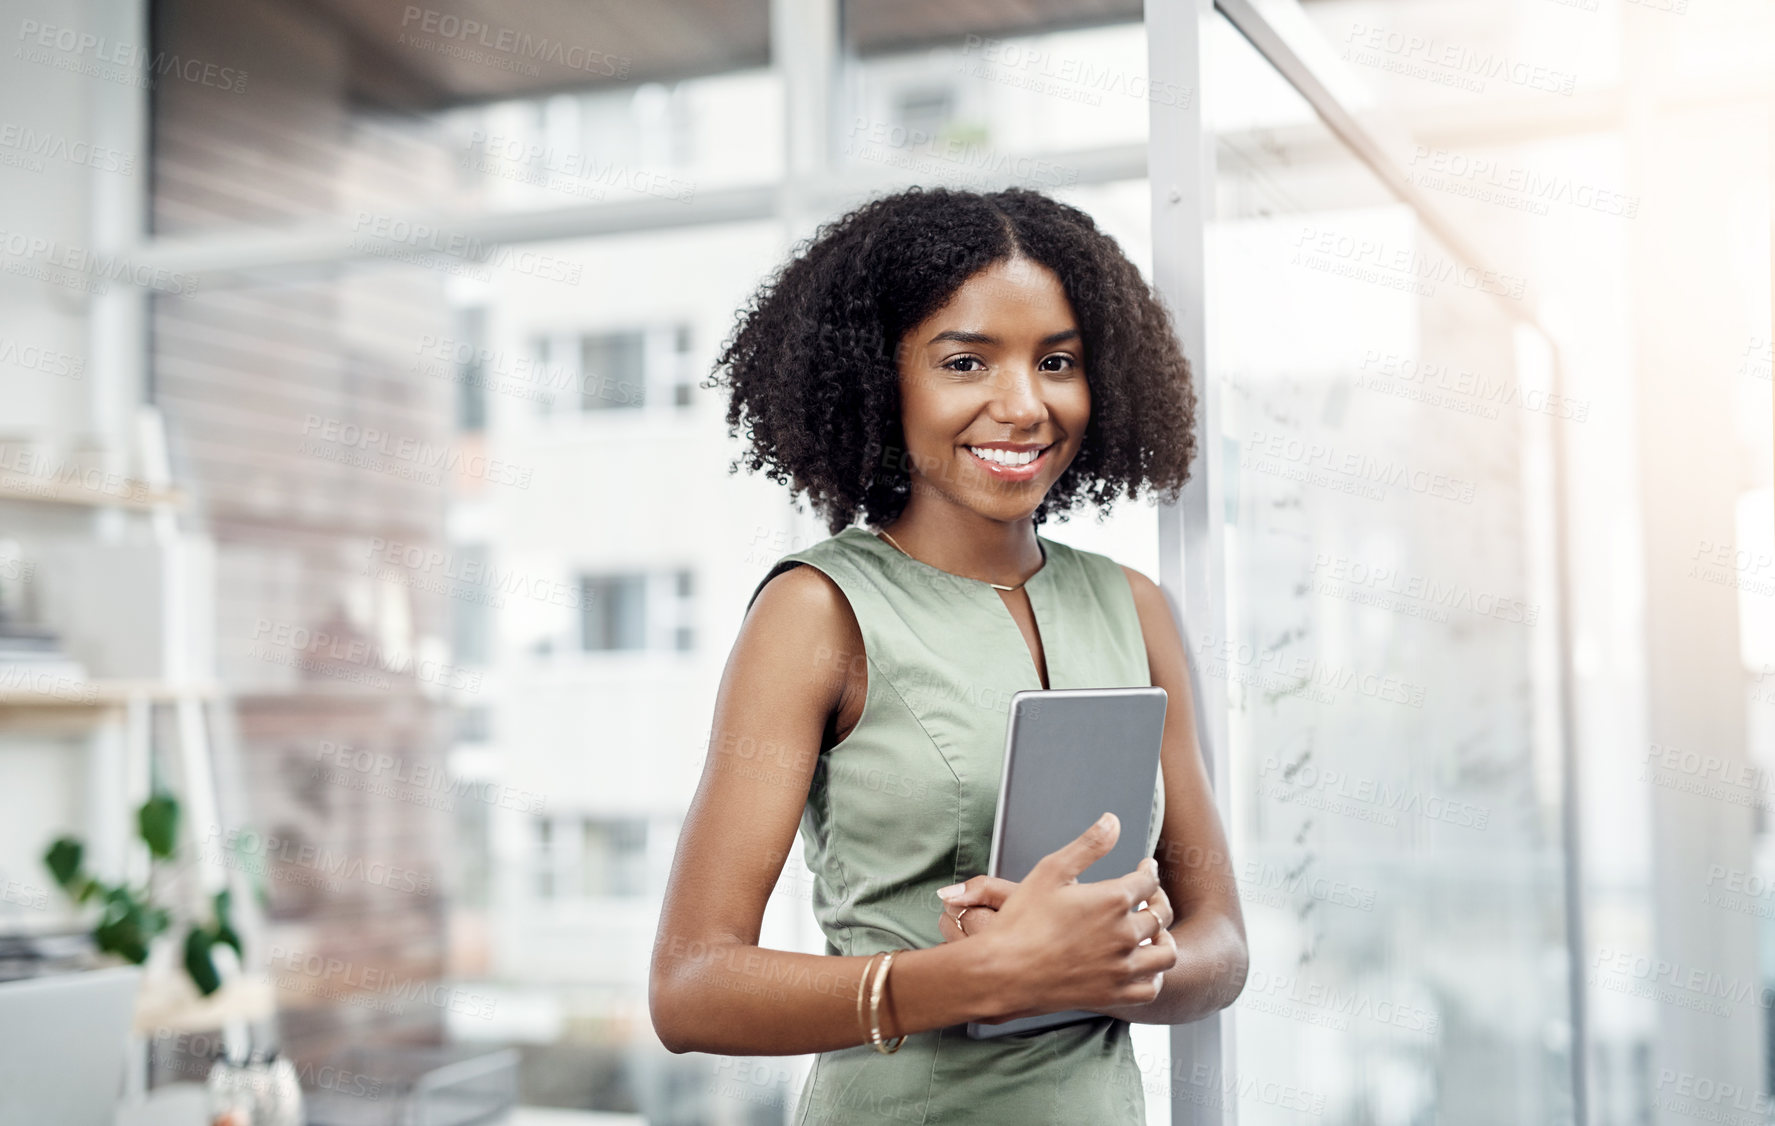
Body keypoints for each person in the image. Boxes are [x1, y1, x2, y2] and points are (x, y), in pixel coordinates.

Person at [649, 186, 1248, 1124]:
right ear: (881, 380)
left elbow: (1222, 949)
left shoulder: (1132, 608)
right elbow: (690, 989)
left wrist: (1112, 961)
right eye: (965, 361)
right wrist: (970, 978)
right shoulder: (817, 611)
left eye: (1058, 362)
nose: (1023, 405)